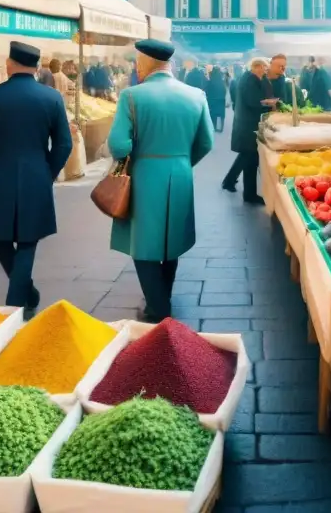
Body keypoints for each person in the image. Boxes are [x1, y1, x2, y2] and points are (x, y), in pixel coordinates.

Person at [108, 39, 214, 322]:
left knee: (142, 242)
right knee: (172, 239)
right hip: (181, 172)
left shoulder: (131, 96)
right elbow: (206, 142)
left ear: (143, 63)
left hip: (145, 172)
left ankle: (158, 307)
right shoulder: (196, 95)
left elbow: (118, 145)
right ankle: (162, 294)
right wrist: (182, 162)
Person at [0, 41, 73, 313]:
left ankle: (13, 308)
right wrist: (48, 171)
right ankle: (27, 291)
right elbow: (64, 144)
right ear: (37, 68)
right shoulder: (52, 98)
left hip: (0, 174)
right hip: (37, 175)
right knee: (28, 240)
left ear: (9, 64)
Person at [224, 57, 274, 204]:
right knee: (250, 158)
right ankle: (248, 194)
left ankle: (233, 184)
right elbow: (253, 102)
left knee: (247, 157)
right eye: (263, 68)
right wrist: (269, 104)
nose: (264, 71)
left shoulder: (250, 79)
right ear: (256, 67)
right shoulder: (249, 81)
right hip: (248, 125)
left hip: (247, 124)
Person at [205, 65, 228, 132]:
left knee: (213, 115)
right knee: (221, 115)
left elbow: (208, 90)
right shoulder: (221, 80)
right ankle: (221, 128)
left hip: (213, 99)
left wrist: (208, 97)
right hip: (221, 99)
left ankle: (214, 127)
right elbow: (224, 90)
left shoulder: (211, 80)